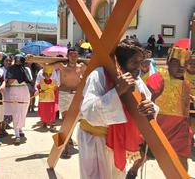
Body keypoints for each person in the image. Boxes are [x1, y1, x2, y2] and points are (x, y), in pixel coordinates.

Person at [78, 39, 158, 179]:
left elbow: (149, 102)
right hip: (95, 141)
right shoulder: (99, 75)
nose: (138, 68)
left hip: (118, 142)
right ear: (121, 61)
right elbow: (89, 111)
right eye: (134, 62)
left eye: (140, 63)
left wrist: (150, 108)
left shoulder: (137, 80)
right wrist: (118, 90)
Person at [146, 46, 193, 170]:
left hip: (180, 129)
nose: (181, 67)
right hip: (160, 127)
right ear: (168, 62)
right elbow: (146, 98)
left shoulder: (186, 82)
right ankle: (134, 170)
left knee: (181, 161)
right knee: (143, 157)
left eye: (185, 63)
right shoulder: (158, 77)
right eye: (176, 62)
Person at [50, 47, 87, 158]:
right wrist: (32, 58)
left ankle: (69, 138)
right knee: (65, 121)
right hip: (64, 95)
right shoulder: (61, 66)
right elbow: (46, 66)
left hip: (77, 96)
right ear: (68, 56)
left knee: (75, 121)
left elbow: (95, 69)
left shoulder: (82, 66)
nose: (74, 57)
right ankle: (63, 146)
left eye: (76, 55)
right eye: (71, 54)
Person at [0, 54, 32, 145]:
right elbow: (8, 82)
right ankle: (17, 134)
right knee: (16, 112)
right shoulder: (11, 69)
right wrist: (12, 79)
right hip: (14, 91)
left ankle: (20, 128)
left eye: (20, 59)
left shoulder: (26, 69)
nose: (18, 61)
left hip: (24, 90)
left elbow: (29, 80)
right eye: (16, 59)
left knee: (23, 111)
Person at [35, 66, 58, 131]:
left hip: (51, 100)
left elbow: (56, 90)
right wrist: (39, 91)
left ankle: (52, 125)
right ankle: (44, 123)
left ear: (51, 75)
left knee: (52, 112)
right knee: (43, 112)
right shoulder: (41, 82)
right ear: (43, 75)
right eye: (46, 74)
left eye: (49, 74)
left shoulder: (54, 82)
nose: (48, 76)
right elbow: (37, 90)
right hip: (43, 100)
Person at [185, 55, 195, 148]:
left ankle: (191, 136)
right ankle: (188, 138)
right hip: (185, 103)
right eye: (190, 63)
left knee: (193, 123)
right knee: (186, 122)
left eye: (194, 63)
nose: (192, 65)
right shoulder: (182, 74)